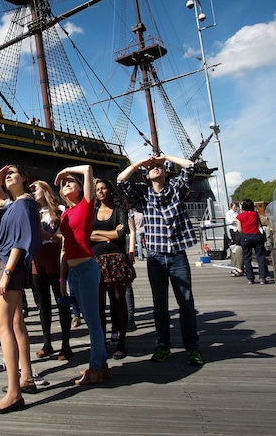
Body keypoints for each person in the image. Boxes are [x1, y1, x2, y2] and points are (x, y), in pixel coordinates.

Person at [116, 154, 204, 367]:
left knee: (186, 303)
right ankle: (162, 345)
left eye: (159, 167)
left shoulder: (176, 188)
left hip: (177, 256)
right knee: (160, 306)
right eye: (152, 168)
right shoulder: (144, 193)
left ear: (165, 171)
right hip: (155, 257)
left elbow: (191, 166)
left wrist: (165, 157)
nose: (156, 168)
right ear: (146, 175)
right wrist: (139, 164)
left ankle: (192, 347)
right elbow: (120, 180)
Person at [0, 165, 41, 414]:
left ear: (24, 178)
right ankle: (25, 378)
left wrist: (6, 273)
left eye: (14, 172)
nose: (8, 175)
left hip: (10, 266)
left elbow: (21, 241)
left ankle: (14, 394)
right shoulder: (13, 204)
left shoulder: (24, 204)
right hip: (7, 265)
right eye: (7, 174)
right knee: (15, 323)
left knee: (1, 325)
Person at [55, 164, 108, 385]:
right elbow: (65, 247)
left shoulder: (86, 205)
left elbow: (87, 169)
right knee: (88, 319)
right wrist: (62, 277)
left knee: (92, 320)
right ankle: (100, 364)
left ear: (80, 187)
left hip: (86, 268)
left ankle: (96, 367)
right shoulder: (65, 213)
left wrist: (65, 169)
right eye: (64, 183)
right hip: (74, 271)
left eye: (71, 182)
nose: (67, 184)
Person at [91, 178, 135, 360]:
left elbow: (122, 233)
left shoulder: (120, 211)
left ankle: (121, 341)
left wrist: (98, 235)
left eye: (104, 188)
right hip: (96, 260)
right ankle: (102, 340)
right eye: (98, 189)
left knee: (118, 301)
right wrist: (109, 236)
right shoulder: (92, 212)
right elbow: (87, 234)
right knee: (99, 304)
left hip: (116, 259)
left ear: (110, 190)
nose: (101, 191)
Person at [29, 180, 73, 361]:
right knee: (43, 302)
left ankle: (65, 344)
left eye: (35, 189)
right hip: (36, 258)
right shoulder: (31, 212)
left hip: (55, 255)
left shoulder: (60, 210)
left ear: (45, 189)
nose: (31, 192)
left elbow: (67, 238)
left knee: (61, 299)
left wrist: (49, 236)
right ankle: (47, 343)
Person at [235, 199, 268, 285]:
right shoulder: (255, 214)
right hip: (256, 236)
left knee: (247, 258)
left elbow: (240, 229)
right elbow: (259, 224)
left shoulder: (239, 216)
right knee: (260, 257)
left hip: (246, 237)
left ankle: (250, 278)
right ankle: (262, 278)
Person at [226, 201, 244, 277]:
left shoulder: (238, 212)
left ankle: (239, 266)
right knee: (237, 244)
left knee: (238, 245)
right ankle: (238, 266)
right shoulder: (228, 213)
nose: (235, 208)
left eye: (236, 206)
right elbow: (229, 221)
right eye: (234, 206)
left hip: (238, 229)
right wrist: (235, 220)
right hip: (233, 228)